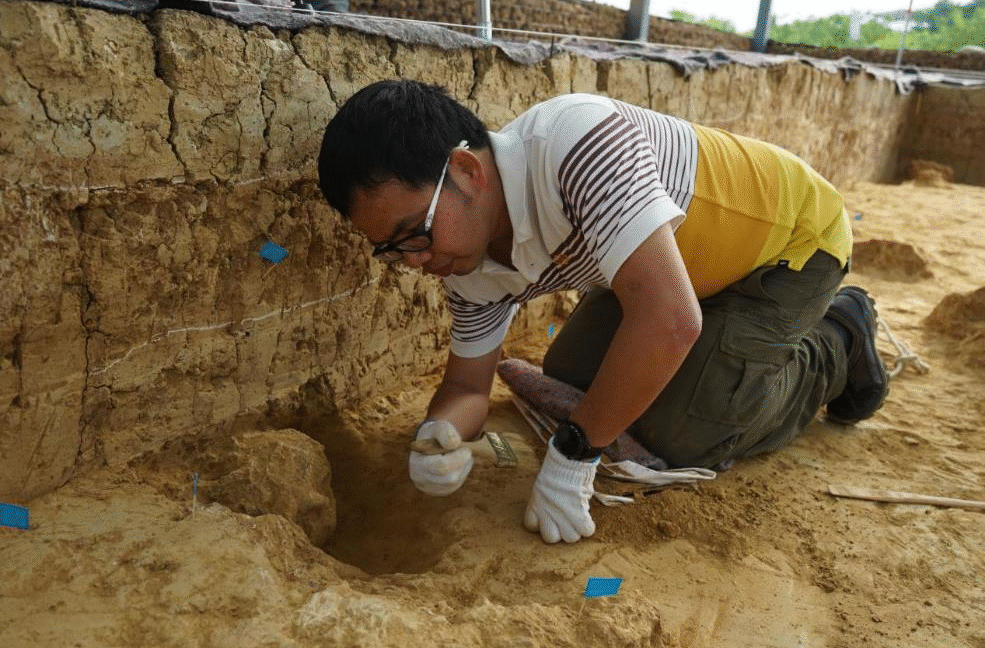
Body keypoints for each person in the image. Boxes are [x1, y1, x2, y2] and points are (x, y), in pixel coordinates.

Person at [317, 80, 889, 544]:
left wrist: (574, 456)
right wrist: (439, 432)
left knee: (684, 429)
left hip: (788, 244)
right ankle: (729, 345)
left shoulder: (576, 143)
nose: (414, 261)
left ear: (466, 171)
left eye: (414, 234)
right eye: (391, 250)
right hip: (674, 270)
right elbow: (467, 386)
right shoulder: (466, 265)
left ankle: (839, 337)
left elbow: (672, 321)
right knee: (574, 377)